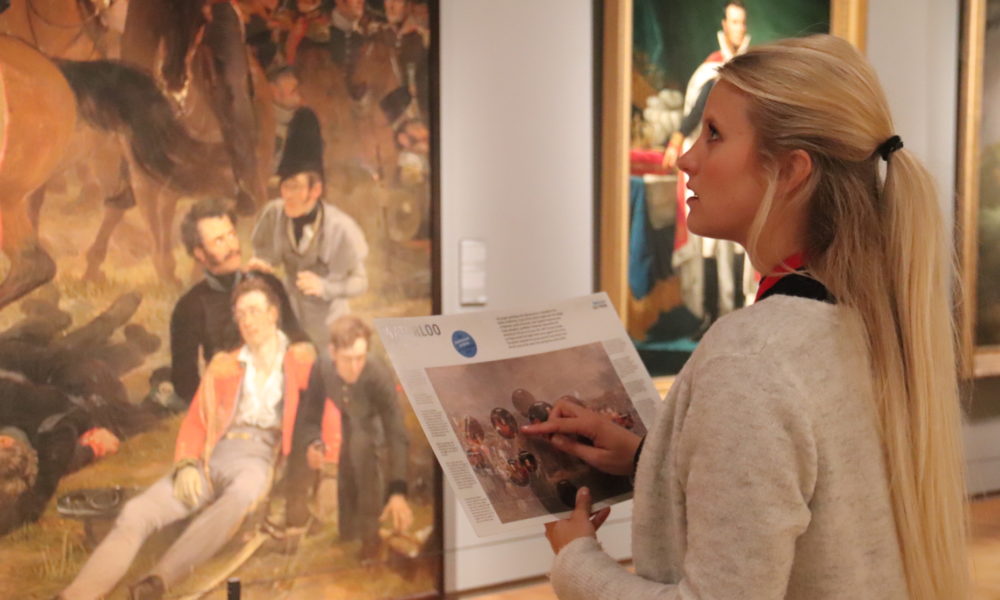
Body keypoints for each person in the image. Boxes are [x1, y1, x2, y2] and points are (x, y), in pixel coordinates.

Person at [523, 35, 968, 600]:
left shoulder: (752, 358)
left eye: (714, 134)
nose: (685, 158)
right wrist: (646, 459)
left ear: (790, 170)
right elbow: (811, 507)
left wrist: (576, 559)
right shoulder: (873, 319)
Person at [61, 277, 329, 600]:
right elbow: (197, 421)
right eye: (241, 314)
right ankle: (76, 595)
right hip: (213, 454)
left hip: (259, 458)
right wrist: (187, 463)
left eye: (255, 311)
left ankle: (158, 581)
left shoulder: (301, 361)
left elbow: (324, 414)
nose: (248, 321)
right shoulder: (225, 366)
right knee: (137, 512)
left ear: (273, 313)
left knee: (242, 495)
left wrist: (319, 453)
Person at [171, 197, 305, 404]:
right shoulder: (189, 307)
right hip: (229, 401)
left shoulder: (267, 283)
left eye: (232, 235)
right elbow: (185, 384)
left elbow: (299, 341)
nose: (232, 246)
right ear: (200, 253)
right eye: (219, 241)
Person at [324, 315, 412, 562]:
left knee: (364, 457)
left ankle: (371, 540)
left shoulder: (378, 374)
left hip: (374, 422)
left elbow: (395, 430)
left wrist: (398, 490)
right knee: (346, 464)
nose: (354, 367)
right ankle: (348, 532)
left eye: (360, 358)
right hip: (347, 417)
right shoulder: (323, 367)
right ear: (333, 352)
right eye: (347, 359)